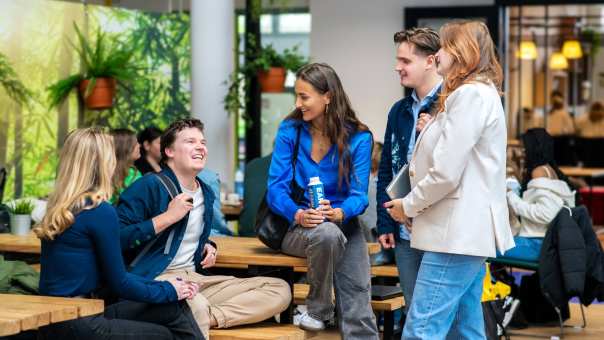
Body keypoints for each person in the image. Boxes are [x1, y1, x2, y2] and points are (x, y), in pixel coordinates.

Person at [385, 21, 515, 339]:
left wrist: (409, 206)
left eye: (443, 46)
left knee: (422, 328)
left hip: (457, 234)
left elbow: (445, 172)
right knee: (465, 328)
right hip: (460, 232)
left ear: (460, 52)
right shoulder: (472, 94)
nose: (438, 53)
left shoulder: (470, 95)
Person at [117, 119, 290, 339]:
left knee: (280, 289)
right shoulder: (149, 185)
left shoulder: (205, 192)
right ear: (169, 151)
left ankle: (211, 316)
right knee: (194, 306)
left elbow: (187, 236)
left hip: (195, 278)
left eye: (202, 142)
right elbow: (118, 237)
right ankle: (195, 316)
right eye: (190, 141)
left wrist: (208, 245)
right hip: (156, 279)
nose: (200, 147)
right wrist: (167, 217)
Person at [34, 128, 203, 340]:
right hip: (79, 321)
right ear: (103, 163)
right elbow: (119, 282)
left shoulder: (61, 207)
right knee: (164, 335)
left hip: (61, 316)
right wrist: (170, 290)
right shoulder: (98, 210)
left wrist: (168, 288)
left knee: (172, 308)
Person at [267, 62, 378, 339]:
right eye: (297, 95)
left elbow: (359, 196)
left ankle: (318, 313)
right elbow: (275, 189)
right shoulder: (290, 130)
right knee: (325, 233)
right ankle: (319, 310)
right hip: (297, 228)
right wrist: (298, 214)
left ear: (328, 96)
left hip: (345, 225)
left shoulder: (359, 137)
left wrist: (339, 212)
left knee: (358, 308)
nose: (298, 103)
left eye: (304, 96)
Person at [376, 27, 442, 318]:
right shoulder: (399, 110)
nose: (397, 67)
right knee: (415, 311)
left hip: (440, 227)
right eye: (398, 60)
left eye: (405, 61)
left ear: (430, 61)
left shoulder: (452, 105)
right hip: (403, 228)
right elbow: (388, 169)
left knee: (439, 316)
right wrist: (385, 222)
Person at [503, 128, 576, 262]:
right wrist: (514, 167)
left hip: (537, 244)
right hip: (545, 243)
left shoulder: (539, 171)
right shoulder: (548, 169)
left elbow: (546, 213)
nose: (522, 152)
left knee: (485, 248)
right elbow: (535, 196)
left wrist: (510, 195)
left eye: (524, 148)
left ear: (533, 148)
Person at [110, 129, 142, 204]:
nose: (139, 145)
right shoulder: (134, 175)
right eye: (135, 143)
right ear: (125, 148)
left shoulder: (105, 171)